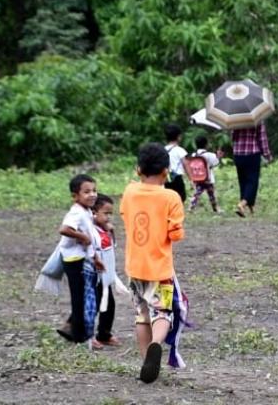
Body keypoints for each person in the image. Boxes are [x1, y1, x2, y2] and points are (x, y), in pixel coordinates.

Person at [120, 143, 186, 383]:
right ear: (166, 171)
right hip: (160, 268)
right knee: (163, 314)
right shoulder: (171, 196)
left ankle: (144, 360)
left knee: (141, 315)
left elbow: (125, 216)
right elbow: (176, 234)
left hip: (134, 266)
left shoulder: (129, 192)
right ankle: (155, 346)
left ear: (138, 169)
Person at [56, 174, 104, 344]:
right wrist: (82, 237)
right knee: (81, 298)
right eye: (87, 192)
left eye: (94, 190)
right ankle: (80, 336)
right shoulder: (76, 211)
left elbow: (91, 237)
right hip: (75, 261)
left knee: (88, 296)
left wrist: (96, 257)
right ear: (75, 196)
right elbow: (64, 229)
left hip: (85, 259)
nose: (92, 195)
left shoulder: (86, 211)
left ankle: (74, 327)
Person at [90, 193, 123, 349]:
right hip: (93, 276)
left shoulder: (104, 230)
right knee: (93, 306)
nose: (109, 217)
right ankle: (87, 336)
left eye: (110, 214)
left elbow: (110, 248)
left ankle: (104, 334)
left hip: (105, 278)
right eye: (106, 213)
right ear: (93, 212)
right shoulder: (90, 230)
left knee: (109, 305)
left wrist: (111, 232)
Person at [232, 122, 273, 217]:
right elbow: (262, 139)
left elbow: (233, 137)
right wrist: (267, 154)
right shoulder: (257, 118)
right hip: (252, 153)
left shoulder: (235, 119)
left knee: (243, 181)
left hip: (238, 153)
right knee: (252, 181)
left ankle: (249, 207)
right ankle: (242, 204)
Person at [188, 136, 223, 212]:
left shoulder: (194, 154)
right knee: (212, 194)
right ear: (206, 145)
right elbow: (215, 163)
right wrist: (219, 157)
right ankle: (215, 208)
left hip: (197, 177)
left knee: (197, 193)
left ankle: (191, 206)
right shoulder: (209, 154)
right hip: (208, 178)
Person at [164, 124, 188, 203]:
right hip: (177, 177)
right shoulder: (180, 150)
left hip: (166, 177)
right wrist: (190, 177)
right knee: (181, 196)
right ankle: (177, 211)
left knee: (168, 196)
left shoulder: (163, 150)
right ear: (179, 137)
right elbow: (185, 164)